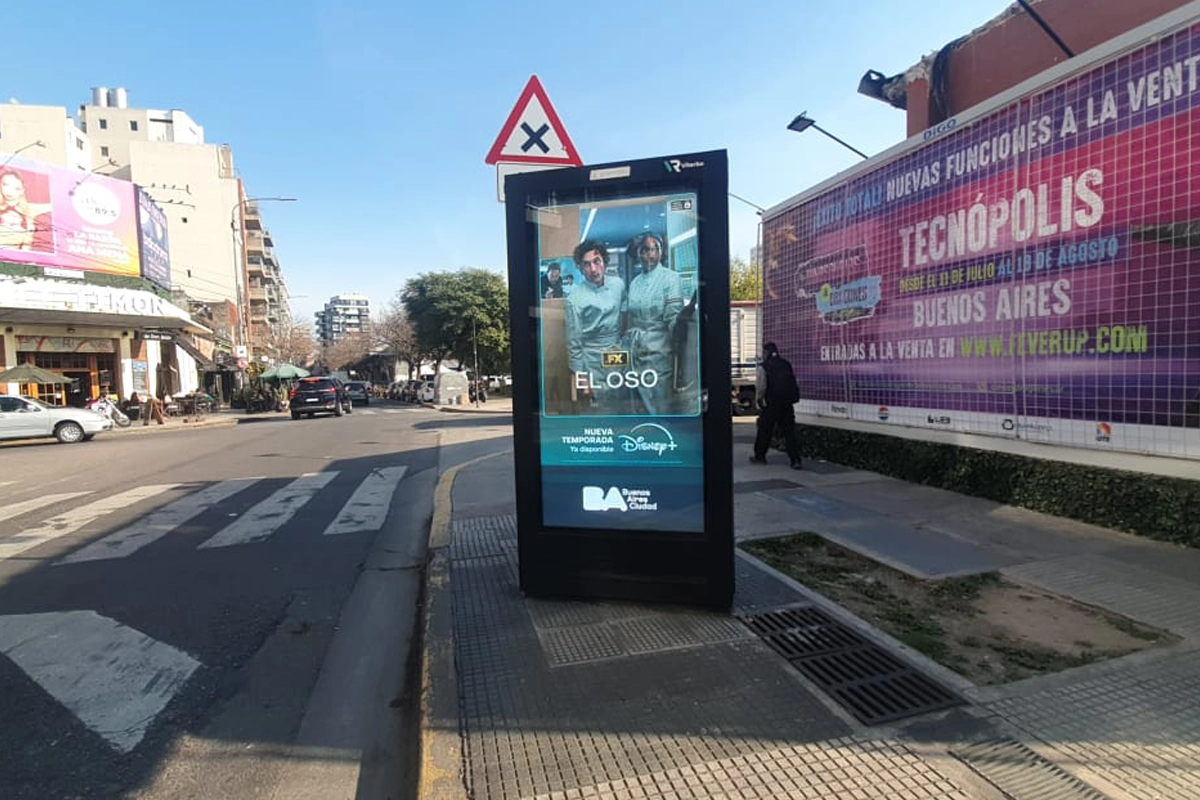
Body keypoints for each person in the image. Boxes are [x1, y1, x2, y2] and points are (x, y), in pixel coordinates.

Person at [625, 232, 692, 414]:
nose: (650, 254)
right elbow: (630, 318)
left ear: (661, 252)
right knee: (639, 405)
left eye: (654, 249)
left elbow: (673, 318)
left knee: (660, 405)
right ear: (638, 253)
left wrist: (679, 341)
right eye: (645, 250)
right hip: (636, 351)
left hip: (660, 351)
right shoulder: (635, 282)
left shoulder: (671, 278)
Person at [565, 240, 627, 414]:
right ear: (580, 268)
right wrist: (583, 381)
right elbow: (574, 344)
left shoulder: (618, 285)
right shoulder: (575, 300)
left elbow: (624, 312)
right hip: (592, 361)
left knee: (622, 407)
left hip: (617, 353)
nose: (593, 269)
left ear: (604, 261)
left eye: (596, 261)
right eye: (586, 264)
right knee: (600, 412)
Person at [750, 341, 802, 469]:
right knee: (789, 432)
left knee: (765, 430)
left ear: (766, 352)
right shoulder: (786, 364)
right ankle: (795, 460)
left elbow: (761, 387)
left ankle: (760, 456)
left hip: (771, 404)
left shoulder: (764, 367)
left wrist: (759, 400)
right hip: (787, 404)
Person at [0, 170, 52, 252]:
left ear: (22, 191)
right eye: (5, 185)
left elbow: (53, 205)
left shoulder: (29, 209)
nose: (10, 191)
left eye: (16, 188)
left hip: (13, 256)